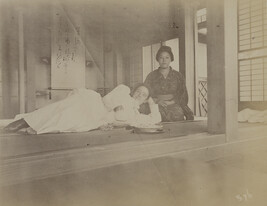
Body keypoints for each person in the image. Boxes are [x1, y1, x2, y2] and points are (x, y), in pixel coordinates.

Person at [4, 84, 161, 134]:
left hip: (95, 120)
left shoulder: (136, 115)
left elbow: (156, 119)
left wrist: (153, 103)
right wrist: (116, 108)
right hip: (93, 104)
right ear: (134, 90)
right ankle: (25, 122)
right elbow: (107, 102)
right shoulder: (124, 91)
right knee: (64, 109)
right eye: (139, 91)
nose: (139, 94)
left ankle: (30, 123)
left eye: (144, 95)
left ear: (146, 100)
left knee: (65, 122)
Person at [143, 45, 194, 122]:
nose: (164, 60)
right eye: (161, 57)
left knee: (178, 115)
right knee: (157, 116)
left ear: (171, 59)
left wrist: (172, 102)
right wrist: (157, 101)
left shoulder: (178, 75)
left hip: (174, 103)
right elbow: (145, 93)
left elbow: (183, 94)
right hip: (156, 104)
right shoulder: (151, 76)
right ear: (158, 59)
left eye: (167, 57)